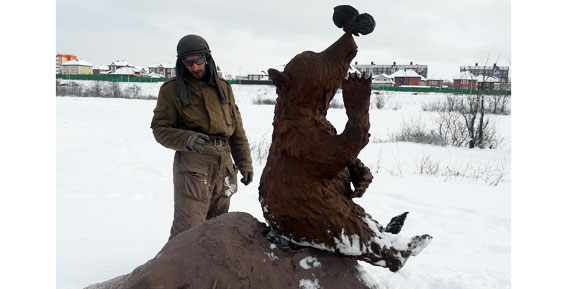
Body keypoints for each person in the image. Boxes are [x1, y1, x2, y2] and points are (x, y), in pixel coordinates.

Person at [151, 34, 253, 240]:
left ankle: (209, 271)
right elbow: (160, 129)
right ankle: (176, 271)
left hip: (224, 166)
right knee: (187, 230)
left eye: (198, 61)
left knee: (217, 228)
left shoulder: (224, 88)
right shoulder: (171, 91)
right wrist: (186, 139)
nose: (195, 68)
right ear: (181, 63)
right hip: (194, 168)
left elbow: (237, 131)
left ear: (207, 58)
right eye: (188, 63)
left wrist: (245, 164)